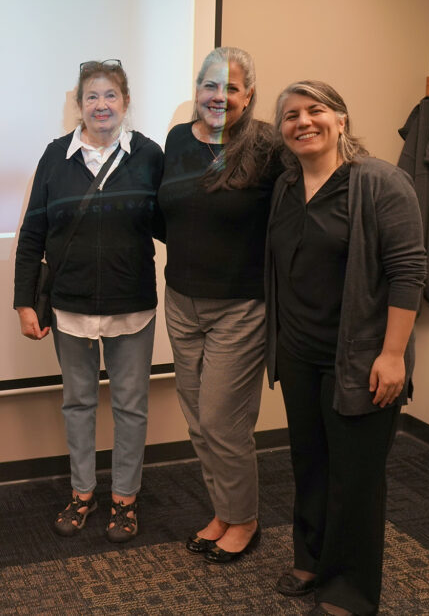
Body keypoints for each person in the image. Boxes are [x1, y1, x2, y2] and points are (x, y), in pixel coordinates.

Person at [266, 81, 425, 616]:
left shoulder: (380, 182)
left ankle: (349, 590)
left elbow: (408, 272)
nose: (303, 122)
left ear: (341, 119)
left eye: (315, 111)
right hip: (299, 353)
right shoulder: (286, 186)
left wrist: (393, 354)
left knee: (355, 476)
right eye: (291, 115)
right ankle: (311, 558)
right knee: (309, 462)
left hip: (361, 359)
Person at [13, 59, 164, 543]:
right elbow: (32, 231)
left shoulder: (149, 155)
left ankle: (125, 499)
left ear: (125, 102)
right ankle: (82, 493)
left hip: (132, 305)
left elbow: (171, 221)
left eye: (111, 95)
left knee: (131, 406)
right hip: (70, 306)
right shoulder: (56, 157)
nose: (102, 105)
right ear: (78, 106)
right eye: (92, 97)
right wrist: (24, 302)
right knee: (77, 403)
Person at [156, 47, 279, 563]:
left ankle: (245, 519)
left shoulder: (269, 145)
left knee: (223, 421)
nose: (218, 97)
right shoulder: (178, 139)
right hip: (181, 300)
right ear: (197, 89)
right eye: (210, 86)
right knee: (197, 421)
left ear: (248, 94)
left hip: (240, 305)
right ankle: (224, 511)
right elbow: (167, 212)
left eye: (231, 88)